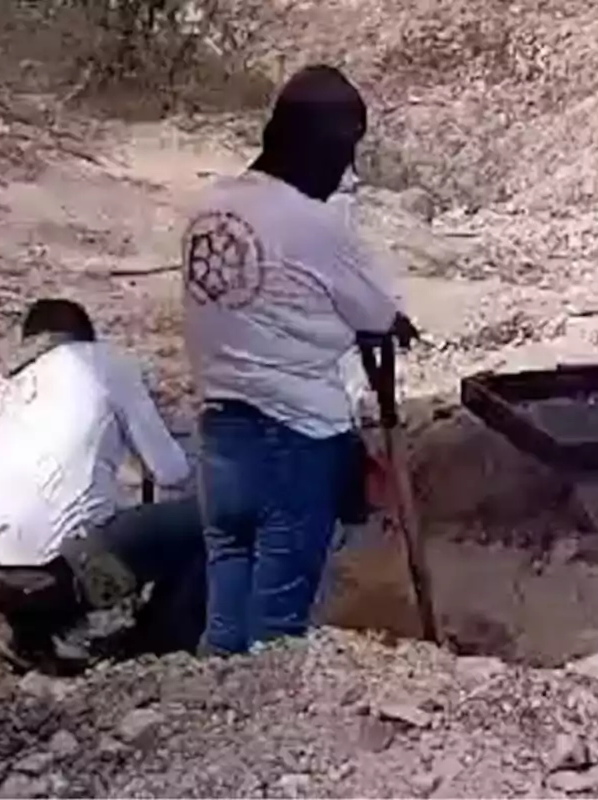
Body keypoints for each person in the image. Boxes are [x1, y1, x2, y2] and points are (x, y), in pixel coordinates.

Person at [182, 64, 417, 656]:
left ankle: (211, 727)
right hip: (294, 438)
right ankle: (264, 739)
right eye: (346, 154)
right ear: (324, 147)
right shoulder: (313, 224)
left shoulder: (206, 209)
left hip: (219, 437)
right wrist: (394, 323)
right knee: (277, 636)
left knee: (226, 621)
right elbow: (378, 316)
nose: (346, 172)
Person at [0, 298, 205, 674]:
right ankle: (159, 645)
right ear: (85, 338)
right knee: (214, 520)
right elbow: (171, 471)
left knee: (53, 535)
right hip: (66, 578)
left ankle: (35, 641)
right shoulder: (101, 364)